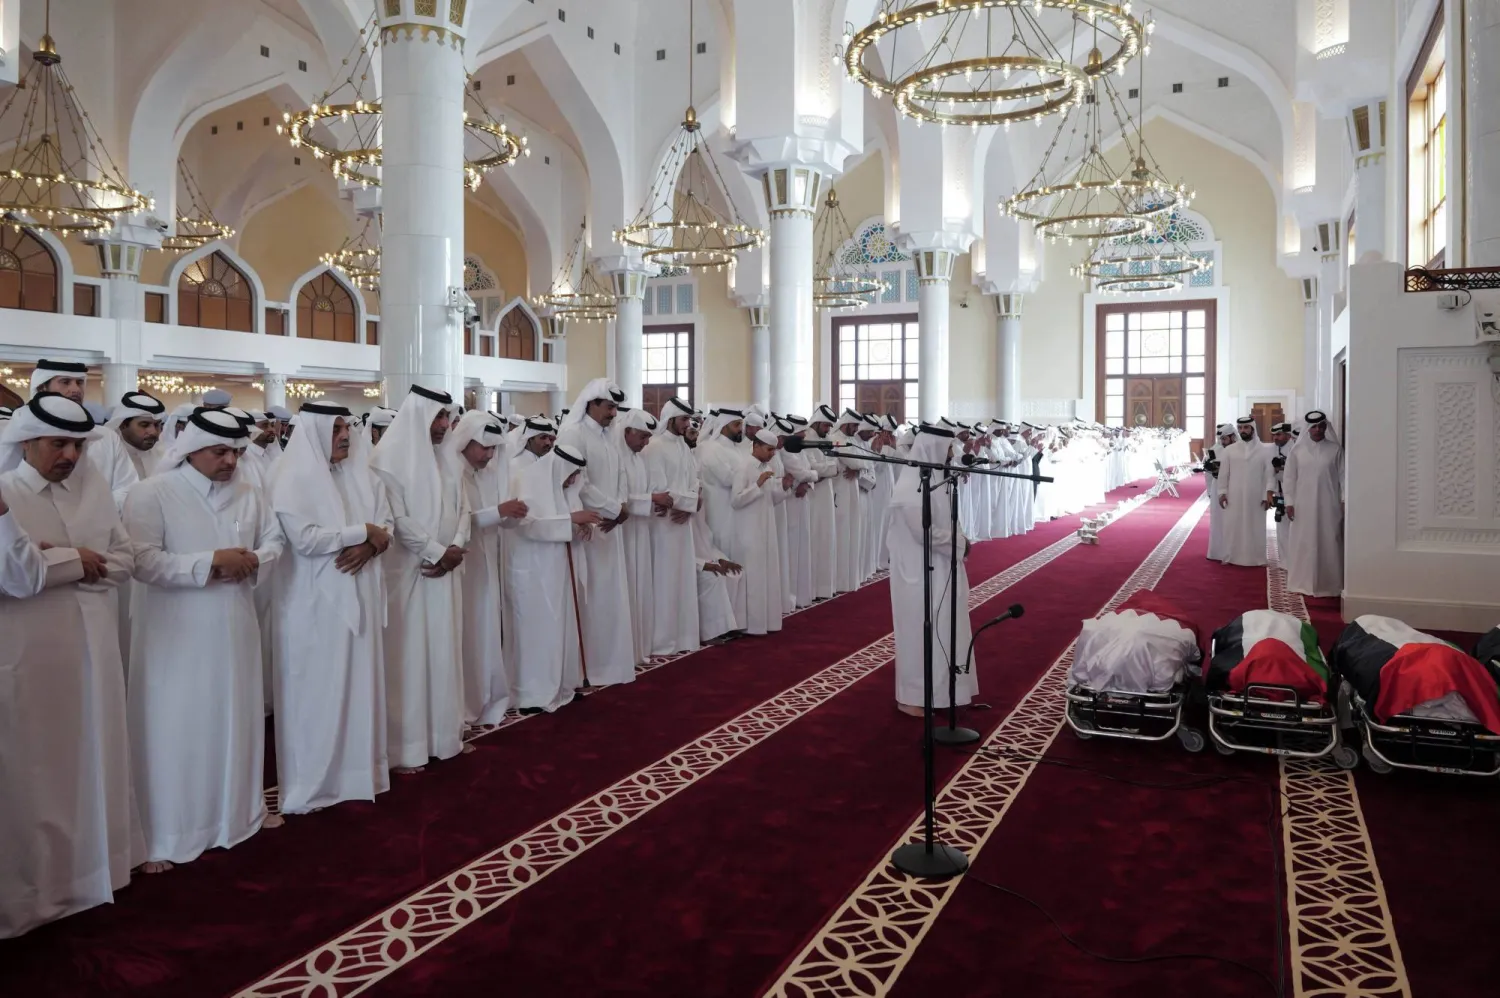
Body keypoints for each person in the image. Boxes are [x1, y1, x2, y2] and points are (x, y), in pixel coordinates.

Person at [0, 394, 140, 937]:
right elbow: (15, 577)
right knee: (38, 768)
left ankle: (95, 870)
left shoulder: (95, 487)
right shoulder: (7, 494)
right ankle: (38, 890)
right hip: (30, 653)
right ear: (27, 441)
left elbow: (124, 561)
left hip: (96, 644)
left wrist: (52, 560)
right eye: (58, 443)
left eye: (78, 444)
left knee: (95, 754)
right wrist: (71, 559)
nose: (70, 455)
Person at [123, 407, 283, 871]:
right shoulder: (151, 494)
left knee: (235, 715)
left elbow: (275, 542)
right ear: (192, 450)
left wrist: (252, 560)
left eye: (236, 451)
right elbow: (141, 560)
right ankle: (169, 833)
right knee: (176, 726)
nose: (231, 461)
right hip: (174, 633)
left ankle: (238, 814)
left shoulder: (251, 494)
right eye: (220, 452)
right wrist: (210, 563)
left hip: (234, 624)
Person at [269, 402, 395, 814]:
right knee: (316, 692)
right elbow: (305, 540)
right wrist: (364, 533)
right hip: (312, 605)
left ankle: (358, 775)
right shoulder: (290, 477)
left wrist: (371, 542)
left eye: (346, 427)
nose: (344, 435)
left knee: (359, 685)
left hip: (362, 594)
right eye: (335, 427)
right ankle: (312, 785)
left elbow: (386, 524)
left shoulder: (362, 475)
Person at [367, 385, 471, 774]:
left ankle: (445, 735)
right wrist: (435, 551)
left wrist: (456, 546)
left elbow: (464, 508)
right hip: (409, 573)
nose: (444, 425)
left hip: (446, 568)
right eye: (437, 417)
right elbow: (396, 519)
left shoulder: (449, 460)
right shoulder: (387, 459)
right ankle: (406, 747)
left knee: (445, 652)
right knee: (408, 657)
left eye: (447, 417)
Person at [445, 410, 528, 724]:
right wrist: (498, 511)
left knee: (486, 629)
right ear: (465, 441)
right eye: (484, 447)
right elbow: (460, 521)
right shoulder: (452, 472)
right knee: (468, 631)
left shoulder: (488, 473)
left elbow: (495, 520)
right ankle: (466, 703)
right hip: (462, 564)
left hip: (487, 564)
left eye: (494, 448)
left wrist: (508, 513)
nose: (489, 454)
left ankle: (486, 697)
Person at [888, 424, 975, 716]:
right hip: (917, 573)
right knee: (919, 631)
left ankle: (942, 692)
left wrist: (960, 539)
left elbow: (948, 519)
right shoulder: (909, 486)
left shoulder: (937, 479)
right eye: (949, 448)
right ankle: (913, 697)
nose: (953, 453)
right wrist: (960, 542)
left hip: (941, 565)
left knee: (945, 626)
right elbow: (924, 532)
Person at [557, 379, 637, 687]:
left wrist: (621, 506)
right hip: (588, 525)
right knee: (591, 595)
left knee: (610, 594)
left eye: (616, 407)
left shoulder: (610, 435)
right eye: (609, 406)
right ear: (591, 404)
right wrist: (612, 509)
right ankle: (589, 665)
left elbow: (620, 474)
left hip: (611, 523)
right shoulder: (573, 434)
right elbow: (578, 482)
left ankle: (609, 663)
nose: (614, 413)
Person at [508, 443, 600, 711]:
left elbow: (570, 522)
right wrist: (571, 519)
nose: (573, 480)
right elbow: (528, 527)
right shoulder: (526, 480)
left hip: (559, 570)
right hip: (533, 573)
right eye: (571, 474)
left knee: (562, 625)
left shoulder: (564, 488)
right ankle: (533, 694)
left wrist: (583, 528)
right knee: (538, 631)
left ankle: (562, 685)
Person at [642, 397, 701, 654]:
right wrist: (688, 504)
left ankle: (683, 638)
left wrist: (689, 508)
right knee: (664, 580)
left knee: (682, 579)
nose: (688, 424)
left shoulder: (683, 446)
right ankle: (662, 640)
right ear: (671, 419)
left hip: (681, 522)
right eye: (684, 419)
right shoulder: (655, 447)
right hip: (663, 525)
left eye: (689, 419)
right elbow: (660, 491)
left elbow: (695, 482)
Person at [729, 428, 788, 636]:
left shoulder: (767, 466)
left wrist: (785, 488)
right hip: (748, 530)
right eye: (769, 449)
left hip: (766, 528)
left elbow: (771, 498)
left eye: (774, 450)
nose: (772, 453)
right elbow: (736, 500)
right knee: (753, 576)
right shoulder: (744, 467)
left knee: (767, 573)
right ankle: (751, 626)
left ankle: (766, 622)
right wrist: (758, 483)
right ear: (756, 446)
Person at [1282, 410, 1344, 597]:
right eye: (1314, 426)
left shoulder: (1335, 449)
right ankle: (1301, 583)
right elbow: (1289, 479)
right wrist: (1289, 502)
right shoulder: (1297, 451)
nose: (1318, 430)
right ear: (1307, 429)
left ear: (1326, 426)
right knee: (1303, 542)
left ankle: (1329, 585)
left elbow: (1344, 477)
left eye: (1321, 426)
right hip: (1303, 506)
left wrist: (1344, 500)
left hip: (1329, 505)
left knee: (1329, 540)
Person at [615, 407, 659, 665]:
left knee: (640, 585)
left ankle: (639, 646)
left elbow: (646, 489)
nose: (646, 443)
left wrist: (656, 499)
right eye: (642, 437)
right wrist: (652, 499)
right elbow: (623, 498)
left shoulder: (638, 459)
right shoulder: (618, 457)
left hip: (640, 530)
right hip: (622, 529)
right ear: (627, 432)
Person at [1216, 416, 1273, 567]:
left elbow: (1269, 474)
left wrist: (1267, 494)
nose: (1243, 431)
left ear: (1253, 429)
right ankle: (1231, 556)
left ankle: (1257, 558)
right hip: (1234, 496)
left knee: (1256, 526)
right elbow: (1223, 474)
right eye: (1240, 428)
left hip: (1256, 496)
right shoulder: (1230, 450)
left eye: (1246, 428)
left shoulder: (1264, 451)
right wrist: (1222, 492)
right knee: (1232, 525)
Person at [777, 415, 818, 608]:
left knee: (802, 545)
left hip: (802, 498)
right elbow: (803, 472)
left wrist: (808, 478)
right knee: (792, 547)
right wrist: (809, 477)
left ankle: (801, 595)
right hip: (790, 502)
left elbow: (808, 471)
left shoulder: (799, 449)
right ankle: (790, 595)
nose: (804, 435)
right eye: (801, 432)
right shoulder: (786, 451)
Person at [831, 409, 871, 592]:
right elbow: (857, 462)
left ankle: (849, 581)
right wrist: (861, 467)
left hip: (852, 492)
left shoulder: (851, 440)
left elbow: (863, 463)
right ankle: (839, 582)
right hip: (840, 494)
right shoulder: (836, 439)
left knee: (852, 534)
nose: (856, 429)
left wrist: (860, 468)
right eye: (854, 425)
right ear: (845, 423)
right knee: (842, 537)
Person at [806, 405, 840, 600]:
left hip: (826, 493)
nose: (828, 429)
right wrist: (827, 468)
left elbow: (833, 466)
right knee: (816, 539)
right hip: (813, 497)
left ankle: (825, 587)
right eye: (826, 425)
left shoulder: (825, 439)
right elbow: (813, 469)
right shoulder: (808, 439)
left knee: (826, 539)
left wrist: (826, 469)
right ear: (818, 422)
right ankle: (814, 589)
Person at [1203, 424, 1235, 562]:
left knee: (1233, 520)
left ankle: (1233, 551)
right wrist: (1210, 490)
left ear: (1232, 436)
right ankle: (1217, 552)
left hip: (1235, 487)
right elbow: (1208, 474)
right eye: (1220, 439)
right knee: (1218, 520)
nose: (1222, 442)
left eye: (1225, 439)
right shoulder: (1215, 449)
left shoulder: (1238, 450)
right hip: (1218, 487)